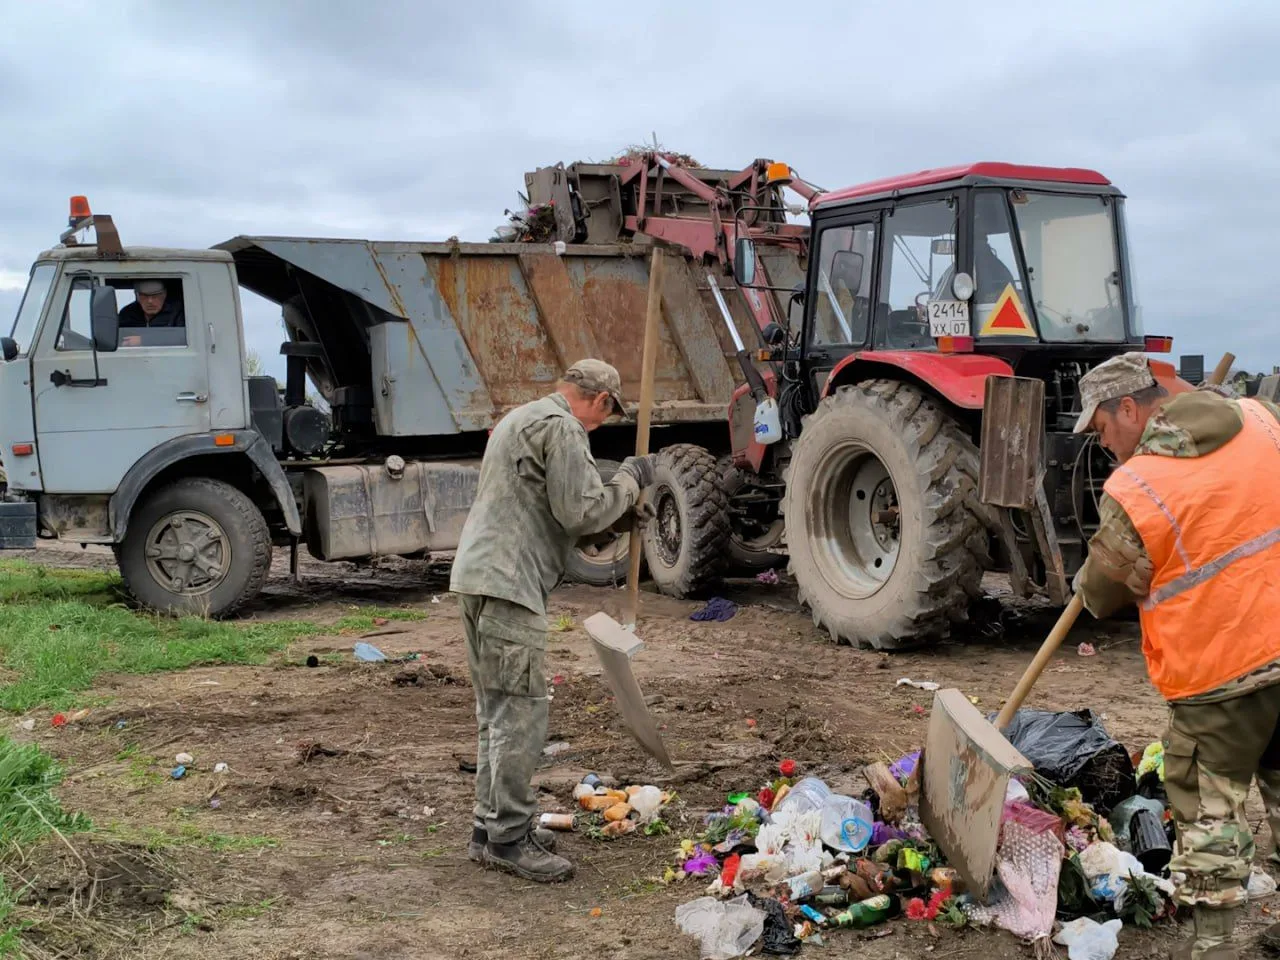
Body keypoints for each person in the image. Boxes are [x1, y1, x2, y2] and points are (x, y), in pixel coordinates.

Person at [1073, 352, 1280, 960]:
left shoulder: (1137, 486)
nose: (1103, 444)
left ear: (1128, 409)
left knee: (1212, 820)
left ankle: (1214, 951)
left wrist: (1107, 574)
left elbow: (1100, 594)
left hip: (1221, 677)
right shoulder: (1260, 419)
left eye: (1102, 428)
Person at [449, 359, 657, 883]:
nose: (601, 425)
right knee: (520, 713)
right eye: (608, 415)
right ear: (602, 400)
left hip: (479, 578)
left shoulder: (521, 419)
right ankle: (510, 838)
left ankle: (489, 830)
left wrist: (615, 521)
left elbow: (549, 512)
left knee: (496, 711)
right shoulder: (563, 428)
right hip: (510, 583)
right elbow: (580, 511)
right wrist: (628, 483)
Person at [119, 279, 185, 329]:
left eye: (155, 296)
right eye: (144, 296)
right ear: (138, 296)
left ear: (164, 295)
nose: (150, 301)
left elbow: (182, 337)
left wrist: (144, 339)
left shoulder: (177, 312)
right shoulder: (127, 314)